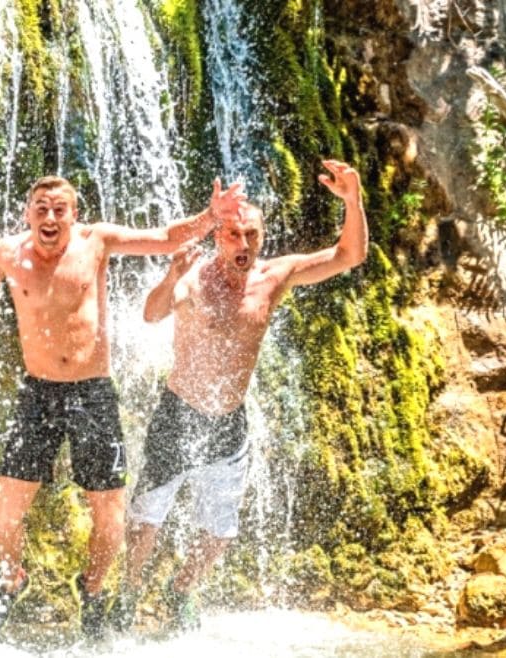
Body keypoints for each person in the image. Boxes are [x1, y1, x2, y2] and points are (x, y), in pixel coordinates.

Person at [0, 176, 246, 638]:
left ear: (74, 215)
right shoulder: (7, 254)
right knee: (6, 511)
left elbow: (165, 237)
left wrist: (211, 217)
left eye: (60, 209)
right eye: (41, 208)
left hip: (93, 393)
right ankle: (12, 579)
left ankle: (92, 589)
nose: (50, 217)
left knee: (110, 514)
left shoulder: (97, 242)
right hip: (38, 394)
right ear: (27, 214)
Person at [118, 160, 366, 632]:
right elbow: (151, 314)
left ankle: (180, 591)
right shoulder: (194, 277)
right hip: (179, 412)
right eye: (234, 234)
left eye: (251, 234)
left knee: (219, 531)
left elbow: (348, 255)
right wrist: (170, 278)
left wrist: (352, 201)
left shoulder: (274, 277)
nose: (244, 244)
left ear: (262, 237)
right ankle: (128, 593)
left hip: (229, 421)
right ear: (218, 236)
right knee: (146, 519)